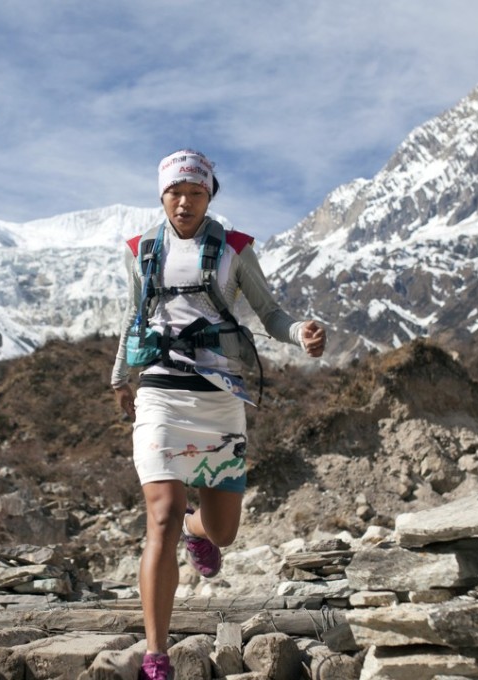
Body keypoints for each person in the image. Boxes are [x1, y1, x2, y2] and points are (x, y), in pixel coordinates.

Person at [110, 149, 326, 680]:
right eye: (175, 192)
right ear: (161, 196)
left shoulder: (234, 249)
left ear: (210, 195)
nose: (184, 202)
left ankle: (198, 530)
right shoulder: (140, 250)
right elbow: (132, 315)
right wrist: (120, 377)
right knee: (159, 513)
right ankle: (156, 654)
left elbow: (269, 312)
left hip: (220, 395)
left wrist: (300, 334)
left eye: (196, 192)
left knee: (224, 532)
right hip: (160, 390)